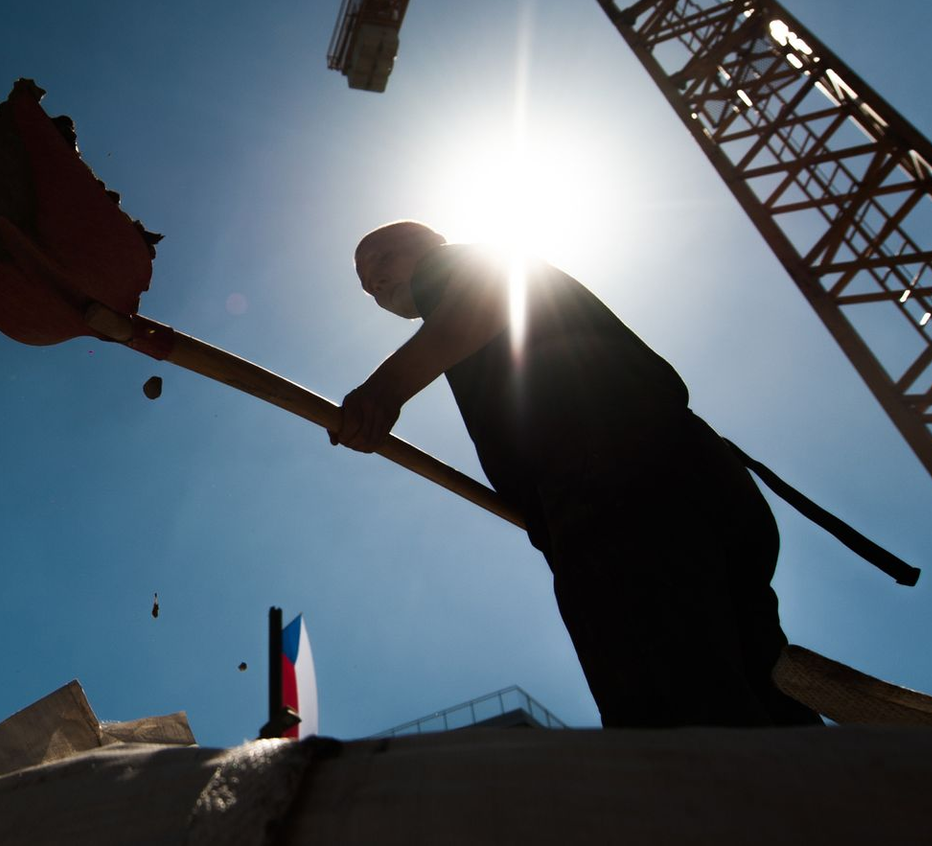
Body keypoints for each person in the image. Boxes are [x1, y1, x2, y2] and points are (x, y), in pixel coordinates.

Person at [331, 220, 820, 728]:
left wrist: (384, 390)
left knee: (669, 705)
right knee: (764, 685)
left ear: (430, 244)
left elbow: (485, 299)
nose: (375, 283)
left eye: (382, 259)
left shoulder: (451, 266)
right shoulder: (505, 288)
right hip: (693, 473)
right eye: (366, 285)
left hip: (616, 484)